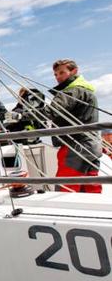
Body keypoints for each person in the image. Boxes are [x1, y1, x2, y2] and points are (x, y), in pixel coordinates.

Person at [41, 59, 101, 193]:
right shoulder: (87, 91)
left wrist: (22, 115)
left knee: (65, 188)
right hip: (93, 145)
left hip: (74, 146)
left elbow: (50, 112)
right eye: (55, 74)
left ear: (74, 71)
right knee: (91, 189)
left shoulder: (70, 91)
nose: (58, 77)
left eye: (62, 72)